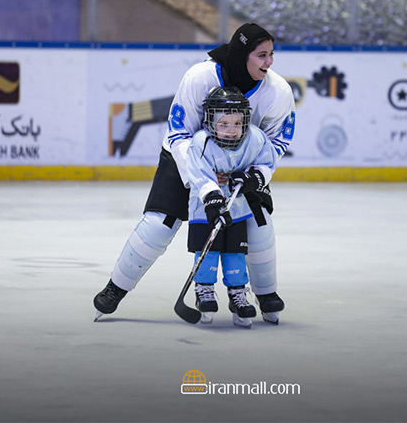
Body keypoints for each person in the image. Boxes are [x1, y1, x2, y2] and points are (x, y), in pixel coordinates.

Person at [94, 22, 296, 324]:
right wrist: (206, 188)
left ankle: (266, 294)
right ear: (243, 55)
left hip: (241, 165)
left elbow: (277, 140)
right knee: (159, 224)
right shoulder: (200, 77)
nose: (270, 62)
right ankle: (115, 289)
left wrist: (257, 176)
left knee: (258, 222)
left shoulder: (277, 91)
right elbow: (179, 134)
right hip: (189, 157)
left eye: (271, 54)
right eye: (262, 55)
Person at [187, 87, 278, 328]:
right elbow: (198, 175)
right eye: (224, 123)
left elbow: (268, 163)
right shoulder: (201, 143)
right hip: (204, 209)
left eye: (237, 123)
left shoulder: (255, 138)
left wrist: (254, 178)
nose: (231, 130)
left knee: (235, 253)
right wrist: (213, 198)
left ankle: (238, 296)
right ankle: (204, 291)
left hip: (238, 209)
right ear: (210, 122)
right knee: (207, 251)